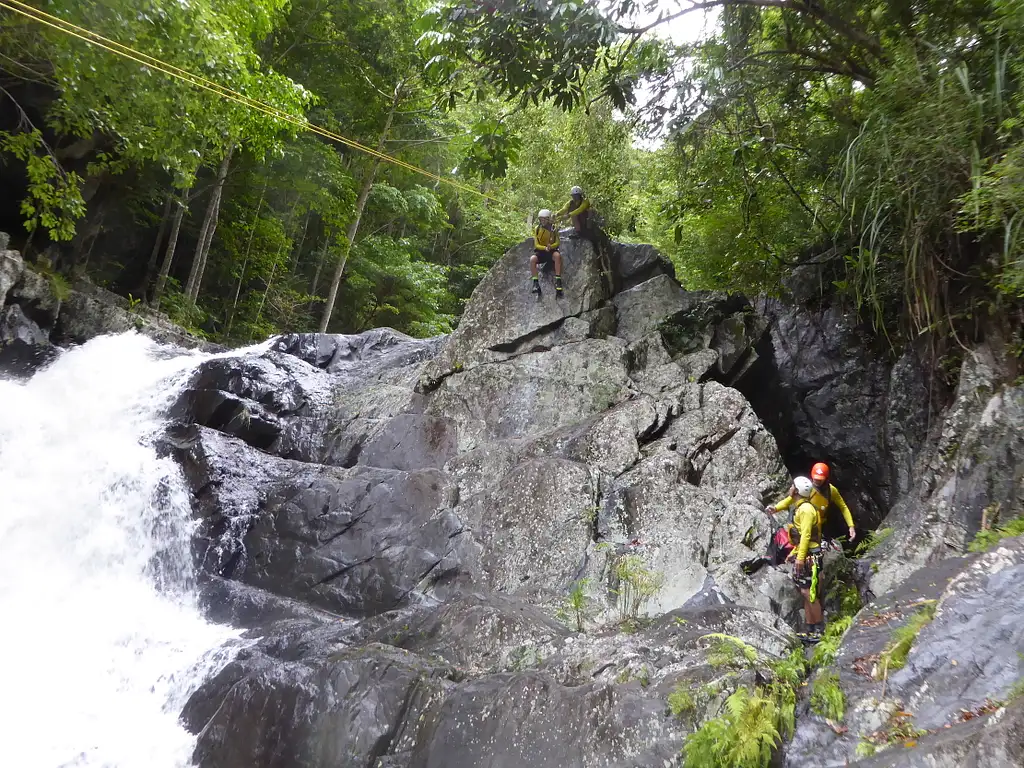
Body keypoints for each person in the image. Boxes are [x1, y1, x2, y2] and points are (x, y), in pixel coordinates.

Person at [766, 462, 856, 543]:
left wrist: (851, 526)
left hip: (820, 526)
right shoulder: (807, 487)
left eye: (820, 479)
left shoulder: (831, 491)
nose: (817, 481)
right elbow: (790, 499)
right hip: (803, 523)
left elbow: (843, 507)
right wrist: (776, 508)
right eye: (815, 478)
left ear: (826, 478)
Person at [790, 475, 825, 640]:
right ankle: (810, 629)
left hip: (809, 556)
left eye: (792, 487)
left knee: (809, 593)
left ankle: (819, 630)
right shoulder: (802, 506)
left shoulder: (805, 510)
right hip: (808, 554)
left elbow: (805, 535)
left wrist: (800, 558)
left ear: (796, 490)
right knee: (805, 592)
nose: (790, 489)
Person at [530, 209, 562, 296]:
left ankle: (558, 281)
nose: (542, 221)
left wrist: (551, 247)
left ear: (548, 219)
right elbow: (536, 245)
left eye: (544, 219)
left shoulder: (553, 228)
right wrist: (544, 248)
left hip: (551, 251)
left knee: (557, 256)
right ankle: (535, 283)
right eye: (541, 219)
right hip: (542, 252)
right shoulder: (537, 229)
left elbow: (557, 242)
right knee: (533, 259)